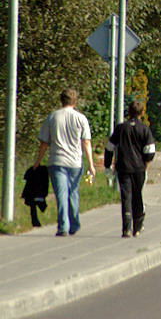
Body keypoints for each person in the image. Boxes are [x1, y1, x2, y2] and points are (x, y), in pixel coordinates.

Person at [33, 88, 95, 237]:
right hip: (75, 162)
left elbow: (43, 143)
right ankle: (74, 224)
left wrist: (38, 161)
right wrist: (91, 164)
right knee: (73, 192)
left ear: (61, 100)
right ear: (75, 102)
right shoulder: (81, 119)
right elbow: (86, 143)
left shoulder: (52, 117)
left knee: (61, 193)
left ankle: (63, 226)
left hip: (56, 160)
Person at [104, 100, 155, 238]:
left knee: (126, 196)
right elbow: (149, 152)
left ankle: (126, 227)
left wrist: (108, 165)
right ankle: (137, 227)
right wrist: (145, 167)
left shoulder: (121, 128)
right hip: (139, 168)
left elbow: (109, 148)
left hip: (123, 168)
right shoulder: (144, 129)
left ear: (129, 112)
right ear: (141, 113)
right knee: (137, 195)